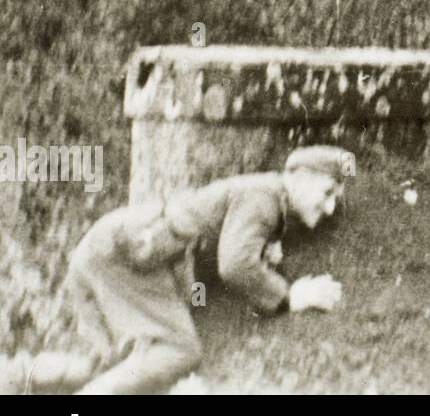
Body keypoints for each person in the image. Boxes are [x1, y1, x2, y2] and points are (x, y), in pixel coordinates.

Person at [10, 145, 350, 395]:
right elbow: (234, 265)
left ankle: (14, 377)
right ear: (301, 178)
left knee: (119, 365)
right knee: (177, 351)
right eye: (328, 192)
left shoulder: (265, 196)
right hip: (128, 257)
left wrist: (267, 244)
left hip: (105, 247)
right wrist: (289, 296)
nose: (331, 206)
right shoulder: (263, 198)